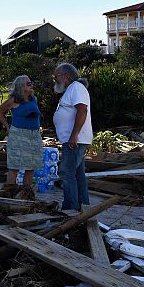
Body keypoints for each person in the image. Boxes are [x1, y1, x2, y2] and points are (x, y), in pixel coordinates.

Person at [53, 62, 93, 211]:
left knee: (66, 172)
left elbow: (82, 110)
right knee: (77, 174)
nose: (55, 80)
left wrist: (74, 135)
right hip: (74, 139)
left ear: (65, 76)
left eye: (56, 76)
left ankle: (71, 208)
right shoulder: (72, 89)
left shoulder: (76, 88)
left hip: (75, 140)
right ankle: (84, 207)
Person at [0, 75, 42, 199]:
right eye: (28, 83)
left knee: (30, 166)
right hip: (19, 135)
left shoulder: (33, 99)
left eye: (31, 83)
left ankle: (26, 194)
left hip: (34, 135)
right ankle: (10, 194)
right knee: (14, 166)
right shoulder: (14, 100)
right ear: (21, 86)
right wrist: (7, 126)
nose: (31, 85)